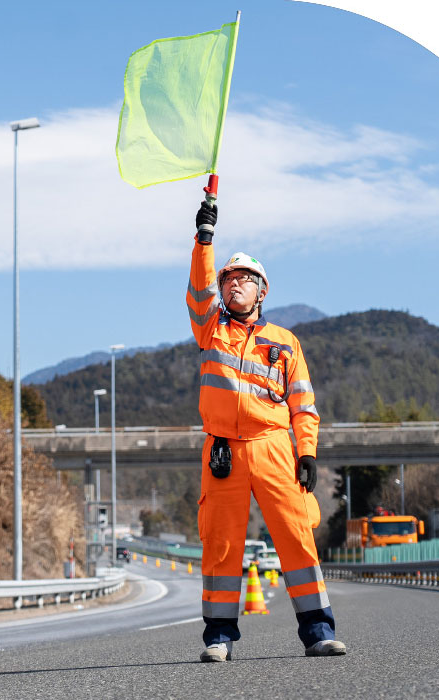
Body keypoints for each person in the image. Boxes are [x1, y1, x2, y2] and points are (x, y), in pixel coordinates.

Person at [187, 200, 346, 662]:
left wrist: (308, 453)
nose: (233, 284)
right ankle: (219, 638)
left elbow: (304, 405)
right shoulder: (210, 328)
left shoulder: (285, 341)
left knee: (297, 536)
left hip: (275, 448)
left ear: (261, 291)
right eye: (228, 280)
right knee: (220, 544)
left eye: (243, 279)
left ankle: (318, 632)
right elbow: (198, 290)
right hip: (224, 452)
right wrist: (204, 239)